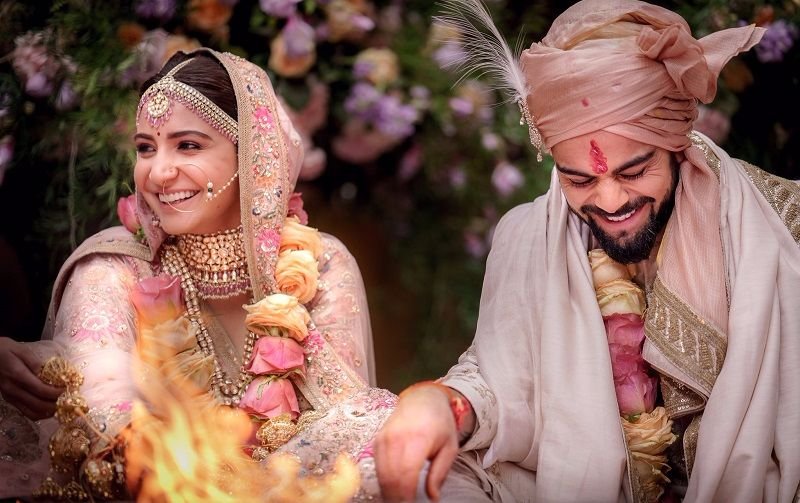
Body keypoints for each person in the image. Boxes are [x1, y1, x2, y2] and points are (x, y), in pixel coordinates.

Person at [374, 1, 800, 502]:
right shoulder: (531, 234)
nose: (610, 200)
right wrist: (440, 404)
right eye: (579, 179)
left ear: (676, 144)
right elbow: (499, 380)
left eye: (634, 171)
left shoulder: (778, 227)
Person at [0, 48, 394, 500]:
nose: (159, 172)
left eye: (188, 145)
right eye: (146, 147)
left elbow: (343, 425)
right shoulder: (112, 268)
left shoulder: (320, 265)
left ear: (253, 155)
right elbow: (106, 407)